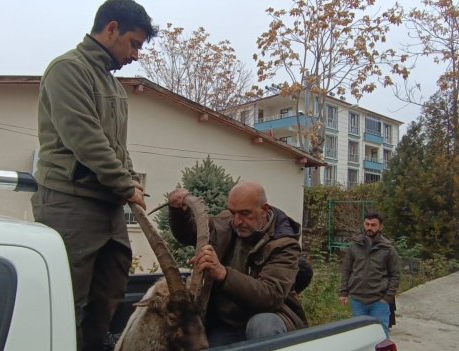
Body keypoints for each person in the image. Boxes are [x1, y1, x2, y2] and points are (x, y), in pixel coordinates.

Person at [30, 1, 156, 349]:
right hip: (70, 204)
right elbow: (85, 140)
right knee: (67, 304)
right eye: (133, 43)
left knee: (107, 300)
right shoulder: (67, 70)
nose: (135, 54)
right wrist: (125, 185)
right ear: (111, 28)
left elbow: (116, 147)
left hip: (107, 209)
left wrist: (130, 178)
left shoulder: (114, 88)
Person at [167, 182, 307, 346]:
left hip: (274, 315)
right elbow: (190, 234)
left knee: (262, 326)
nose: (237, 221)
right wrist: (178, 212)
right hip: (231, 323)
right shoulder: (227, 223)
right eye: (233, 213)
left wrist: (223, 274)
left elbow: (271, 295)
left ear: (264, 210)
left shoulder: (284, 244)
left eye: (245, 213)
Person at [338, 212, 400, 338]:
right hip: (358, 300)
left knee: (381, 336)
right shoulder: (354, 246)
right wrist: (344, 292)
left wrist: (387, 297)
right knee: (361, 336)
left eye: (373, 225)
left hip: (379, 301)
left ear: (380, 227)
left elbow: (395, 275)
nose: (369, 228)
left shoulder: (387, 248)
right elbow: (346, 270)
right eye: (367, 224)